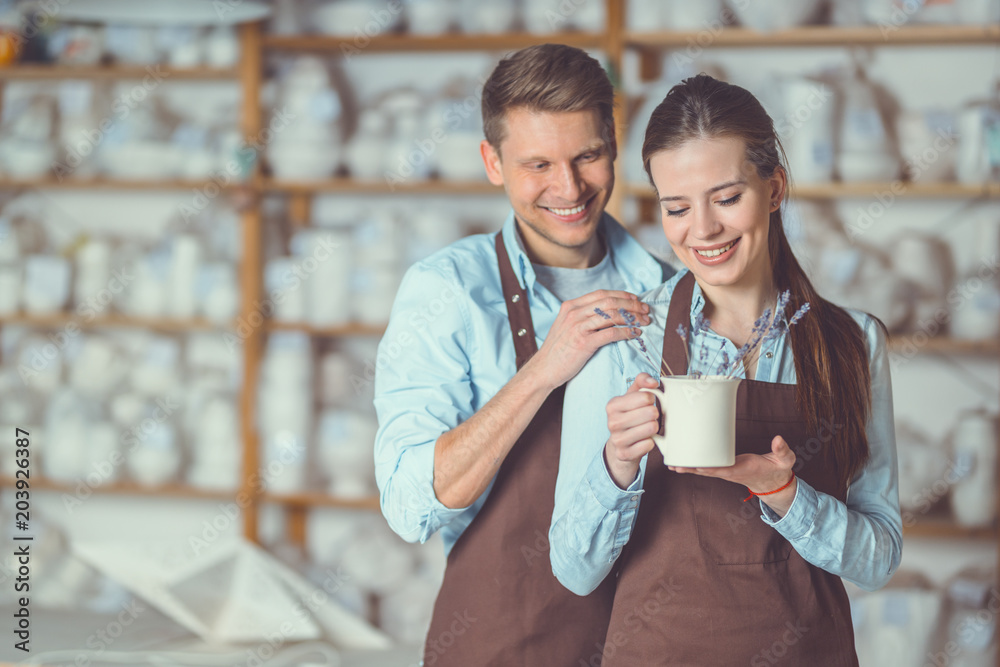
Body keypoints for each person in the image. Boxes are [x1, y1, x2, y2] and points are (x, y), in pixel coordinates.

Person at [549, 74, 902, 666]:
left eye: (728, 197)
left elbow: (879, 558)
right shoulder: (625, 339)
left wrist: (784, 493)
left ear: (775, 187)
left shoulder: (852, 342)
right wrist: (617, 464)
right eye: (677, 207)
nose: (703, 230)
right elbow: (573, 572)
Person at [373, 44, 674, 666]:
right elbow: (409, 504)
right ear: (492, 162)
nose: (568, 188)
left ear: (612, 144)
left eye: (587, 155)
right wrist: (543, 369)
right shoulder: (449, 292)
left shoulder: (669, 291)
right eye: (537, 164)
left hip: (648, 640)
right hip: (505, 642)